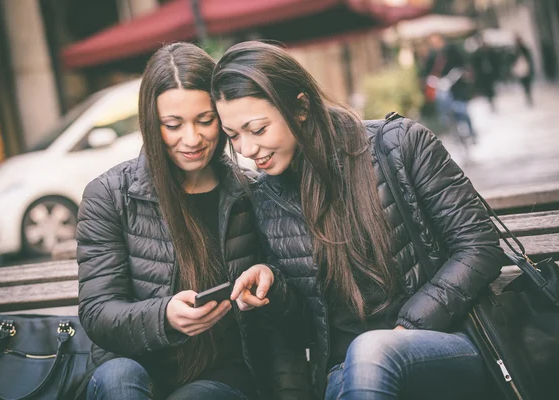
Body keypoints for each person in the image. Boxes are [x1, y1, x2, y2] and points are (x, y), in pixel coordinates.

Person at [212, 41, 506, 400]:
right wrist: (274, 287)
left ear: (300, 107)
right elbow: (307, 327)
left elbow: (480, 248)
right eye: (233, 136)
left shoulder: (399, 145)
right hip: (346, 371)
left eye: (257, 130)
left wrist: (406, 327)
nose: (246, 148)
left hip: (446, 342)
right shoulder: (267, 198)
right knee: (362, 361)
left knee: (372, 352)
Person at [76, 42, 309, 400]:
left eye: (205, 120)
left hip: (222, 374)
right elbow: (97, 312)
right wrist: (164, 317)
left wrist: (270, 282)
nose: (192, 139)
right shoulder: (109, 195)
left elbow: (290, 314)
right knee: (119, 380)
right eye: (173, 125)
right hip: (132, 365)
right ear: (151, 124)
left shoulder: (252, 192)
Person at [422, 34, 477, 140]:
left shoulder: (452, 50)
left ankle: (471, 131)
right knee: (445, 112)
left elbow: (463, 64)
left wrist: (461, 73)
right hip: (442, 88)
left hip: (457, 86)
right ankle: (454, 131)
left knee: (462, 110)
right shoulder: (432, 55)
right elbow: (427, 72)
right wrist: (430, 80)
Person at [513, 35, 535, 107]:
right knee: (524, 85)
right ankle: (527, 97)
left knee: (528, 84)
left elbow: (530, 59)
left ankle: (529, 97)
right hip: (520, 70)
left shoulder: (525, 49)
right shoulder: (514, 50)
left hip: (526, 69)